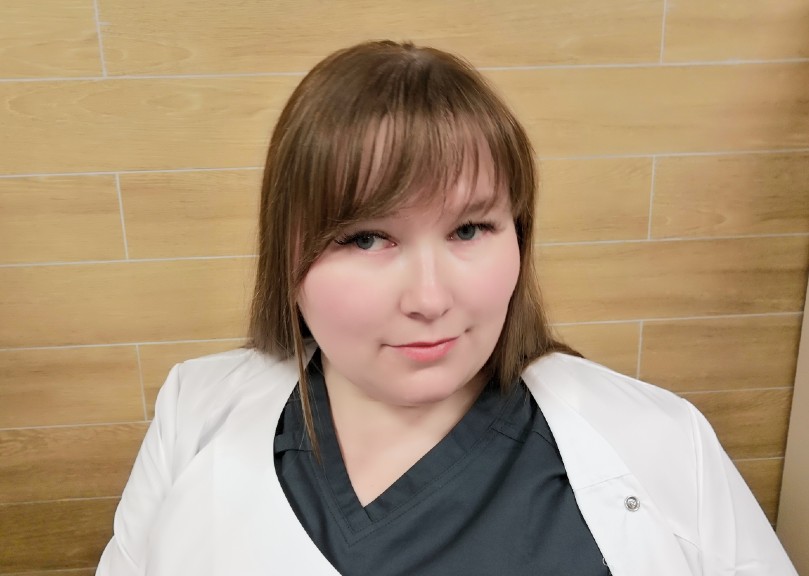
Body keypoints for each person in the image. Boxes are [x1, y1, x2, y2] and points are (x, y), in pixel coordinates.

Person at [97, 40, 797, 575]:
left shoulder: (663, 441)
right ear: (287, 253)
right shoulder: (195, 411)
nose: (430, 299)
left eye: (469, 230)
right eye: (366, 238)